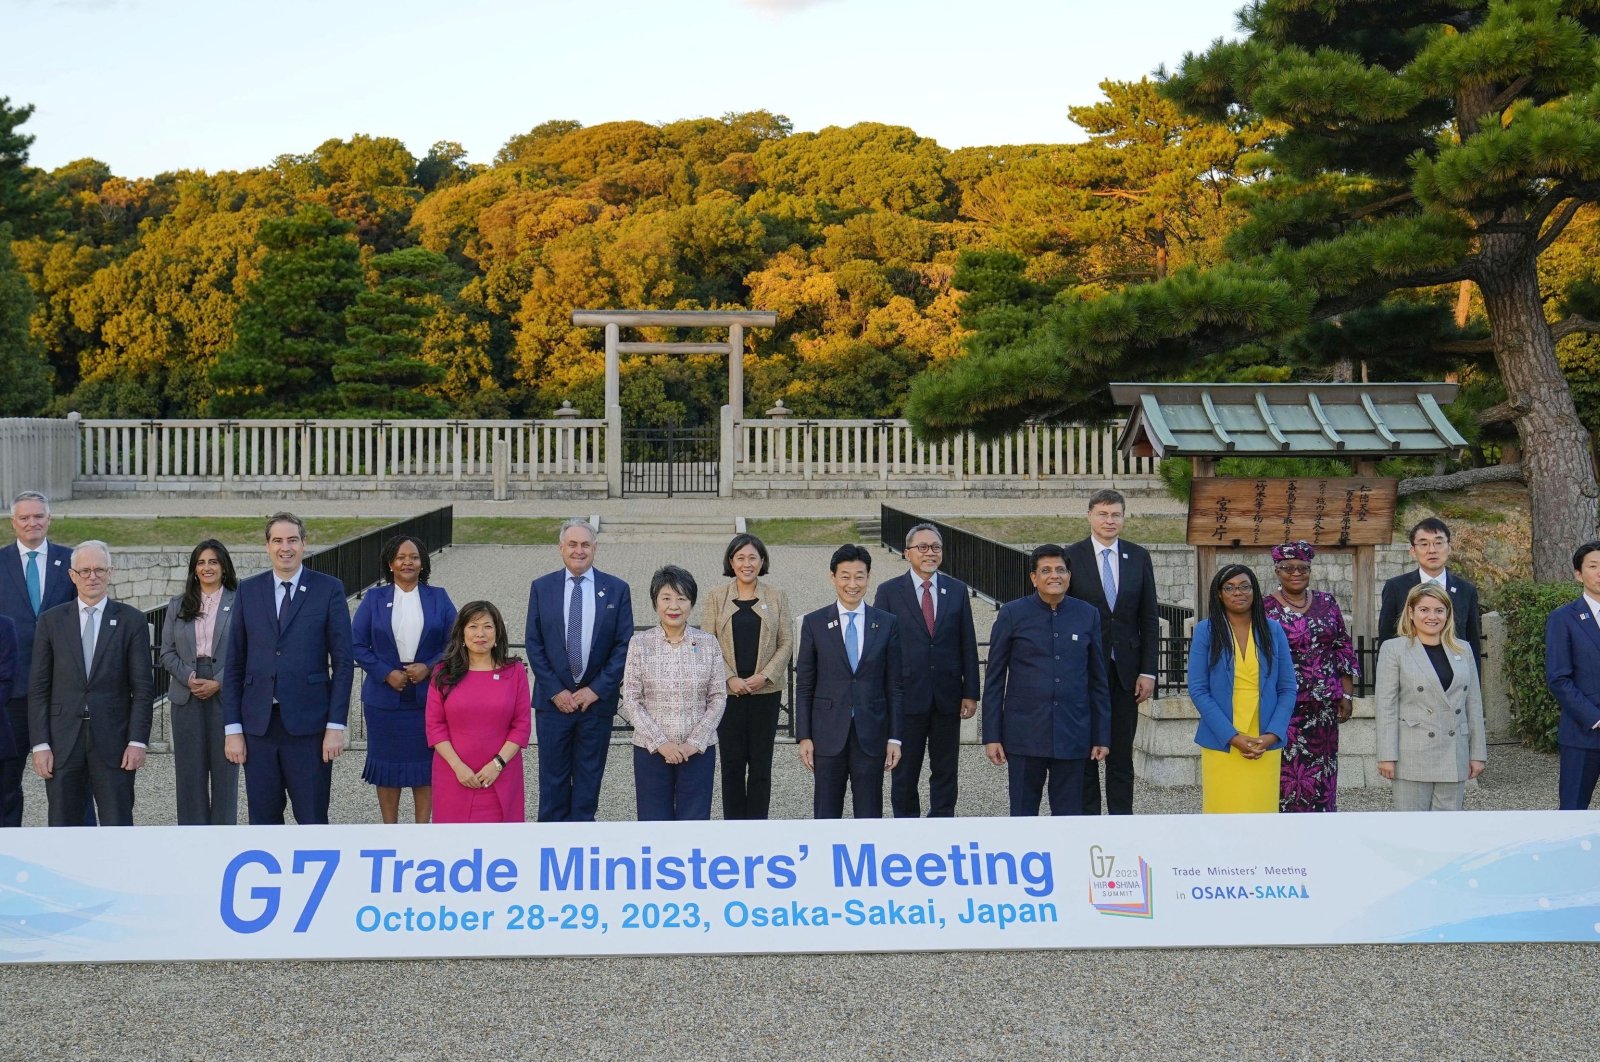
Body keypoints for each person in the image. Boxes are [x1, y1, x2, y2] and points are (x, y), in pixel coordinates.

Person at [222, 512, 355, 825]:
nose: (286, 547)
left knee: (311, 817)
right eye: (278, 540)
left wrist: (336, 725)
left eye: (292, 540)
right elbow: (235, 663)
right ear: (267, 546)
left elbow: (343, 663)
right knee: (263, 821)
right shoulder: (248, 591)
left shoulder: (329, 589)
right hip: (259, 728)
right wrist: (233, 729)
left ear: (304, 544)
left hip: (310, 728)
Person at [27, 541, 152, 826]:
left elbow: (143, 688)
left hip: (115, 741)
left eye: (99, 569)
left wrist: (137, 741)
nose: (92, 576)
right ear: (73, 575)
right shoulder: (51, 621)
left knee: (117, 823)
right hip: (62, 742)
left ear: (111, 572)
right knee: (63, 825)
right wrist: (40, 744)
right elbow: (38, 688)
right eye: (84, 571)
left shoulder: (131, 621)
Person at [982, 544, 1110, 816]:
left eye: (1061, 570)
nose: (1055, 576)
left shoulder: (1087, 615)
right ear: (1033, 577)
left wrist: (1101, 734)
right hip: (1025, 734)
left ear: (1069, 575)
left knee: (1069, 818)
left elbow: (1098, 680)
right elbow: (994, 679)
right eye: (1046, 570)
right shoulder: (1012, 614)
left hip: (1073, 733)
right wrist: (992, 735)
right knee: (1023, 815)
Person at [525, 518, 633, 823]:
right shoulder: (541, 588)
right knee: (552, 784)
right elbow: (534, 644)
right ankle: (550, 845)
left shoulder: (617, 589)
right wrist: (556, 690)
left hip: (595, 706)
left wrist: (595, 690)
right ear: (561, 547)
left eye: (585, 544)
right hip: (552, 704)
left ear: (595, 548)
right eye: (572, 544)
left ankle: (583, 842)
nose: (579, 550)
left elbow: (623, 646)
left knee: (588, 783)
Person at [873, 522, 980, 818]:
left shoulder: (957, 591)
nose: (929, 553)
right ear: (908, 553)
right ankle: (908, 829)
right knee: (904, 771)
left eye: (935, 547)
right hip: (906, 698)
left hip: (947, 697)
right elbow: (879, 649)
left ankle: (941, 824)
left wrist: (970, 692)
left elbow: (967, 643)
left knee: (945, 769)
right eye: (922, 547)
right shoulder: (889, 592)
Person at [352, 535, 457, 824]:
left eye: (413, 557)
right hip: (383, 701)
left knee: (425, 770)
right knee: (387, 769)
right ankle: (391, 831)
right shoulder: (374, 599)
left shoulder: (439, 597)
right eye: (401, 557)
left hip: (428, 699)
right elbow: (356, 643)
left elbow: (456, 642)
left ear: (423, 563)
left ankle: (421, 832)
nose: (407, 562)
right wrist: (386, 672)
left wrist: (430, 666)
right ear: (391, 563)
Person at [1067, 489, 1159, 816]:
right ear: (1090, 516)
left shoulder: (1137, 556)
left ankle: (1123, 823)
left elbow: (1148, 618)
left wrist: (1148, 671)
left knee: (1121, 755)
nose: (1109, 521)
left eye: (1115, 515)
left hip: (1126, 674)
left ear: (1123, 517)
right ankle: (1088, 823)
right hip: (1084, 672)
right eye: (1103, 514)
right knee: (1084, 754)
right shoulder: (1071, 557)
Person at [795, 543, 903, 819]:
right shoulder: (815, 622)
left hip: (871, 732)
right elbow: (805, 685)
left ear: (868, 577)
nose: (852, 584)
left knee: (869, 814)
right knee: (826, 813)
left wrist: (895, 738)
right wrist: (804, 736)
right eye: (845, 576)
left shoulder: (887, 622)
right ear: (833, 578)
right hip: (827, 734)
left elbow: (894, 685)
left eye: (859, 576)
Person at [1187, 564, 1296, 814]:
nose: (1239, 592)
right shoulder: (1207, 631)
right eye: (1230, 587)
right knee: (1222, 816)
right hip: (1223, 739)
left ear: (1254, 591)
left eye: (1245, 586)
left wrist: (1272, 735)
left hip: (1263, 741)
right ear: (1219, 594)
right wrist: (1232, 737)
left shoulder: (1273, 630)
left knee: (1261, 815)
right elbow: (1198, 689)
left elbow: (1288, 688)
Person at [1261, 540, 1359, 812]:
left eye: (1303, 568)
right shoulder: (1264, 607)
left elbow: (1343, 646)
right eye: (1288, 568)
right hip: (1284, 708)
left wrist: (1346, 693)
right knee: (1287, 775)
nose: (1296, 573)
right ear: (1277, 571)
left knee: (1323, 773)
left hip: (1324, 707)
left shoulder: (1327, 602)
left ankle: (1321, 832)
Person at [622, 566, 725, 821]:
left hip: (698, 751)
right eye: (666, 598)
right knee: (653, 822)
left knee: (694, 823)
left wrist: (694, 743)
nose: (674, 606)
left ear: (691, 603)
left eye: (681, 598)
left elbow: (718, 697)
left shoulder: (708, 643)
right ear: (656, 602)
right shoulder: (640, 644)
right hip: (651, 751)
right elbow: (632, 698)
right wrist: (662, 744)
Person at [1, 490, 78, 827]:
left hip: (61, 692)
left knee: (66, 783)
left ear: (49, 519)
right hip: (12, 694)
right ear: (12, 522)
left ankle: (69, 854)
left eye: (38, 516)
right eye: (24, 517)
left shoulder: (73, 561)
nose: (32, 522)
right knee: (5, 784)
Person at [701, 534, 791, 819]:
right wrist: (729, 678)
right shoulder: (716, 597)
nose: (747, 563)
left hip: (765, 694)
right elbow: (707, 641)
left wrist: (764, 676)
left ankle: (758, 826)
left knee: (761, 765)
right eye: (740, 558)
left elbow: (786, 642)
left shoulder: (776, 596)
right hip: (728, 695)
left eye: (753, 557)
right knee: (731, 764)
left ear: (762, 561)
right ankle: (734, 827)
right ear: (731, 561)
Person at [1375, 584, 1486, 811]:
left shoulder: (1463, 650)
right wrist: (1386, 755)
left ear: (1448, 614)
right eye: (1424, 610)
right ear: (1411, 613)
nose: (1432, 617)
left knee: (1448, 833)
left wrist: (1477, 754)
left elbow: (1473, 704)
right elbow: (1386, 706)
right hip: (1412, 753)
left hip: (1454, 751)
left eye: (1439, 610)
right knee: (1412, 832)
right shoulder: (1394, 649)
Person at [157, 539, 241, 825]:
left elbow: (249, 651)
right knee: (190, 775)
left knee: (225, 770)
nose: (207, 567)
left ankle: (223, 837)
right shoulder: (178, 605)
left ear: (224, 567)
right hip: (186, 693)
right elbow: (166, 652)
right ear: (194, 569)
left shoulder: (240, 601)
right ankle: (193, 839)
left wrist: (218, 682)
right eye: (202, 562)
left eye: (213, 562)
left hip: (224, 692)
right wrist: (190, 678)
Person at [426, 601, 531, 824]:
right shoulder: (443, 673)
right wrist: (458, 767)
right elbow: (435, 726)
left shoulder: (515, 672)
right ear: (461, 633)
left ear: (497, 632)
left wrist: (497, 765)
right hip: (453, 775)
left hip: (502, 776)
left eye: (487, 627)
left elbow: (521, 726)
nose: (480, 634)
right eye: (473, 627)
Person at [1379, 517, 1483, 670]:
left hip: (1455, 674)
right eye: (1424, 544)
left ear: (1449, 548)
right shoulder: (1396, 587)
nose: (1432, 550)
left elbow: (1472, 641)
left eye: (1438, 543)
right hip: (1411, 675)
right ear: (1413, 551)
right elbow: (1386, 638)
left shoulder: (1466, 590)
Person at [1545, 540, 1600, 810]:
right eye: (1593, 566)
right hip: (1582, 734)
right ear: (1579, 574)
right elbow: (1558, 677)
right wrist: (1595, 718)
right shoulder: (1563, 618)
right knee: (1572, 814)